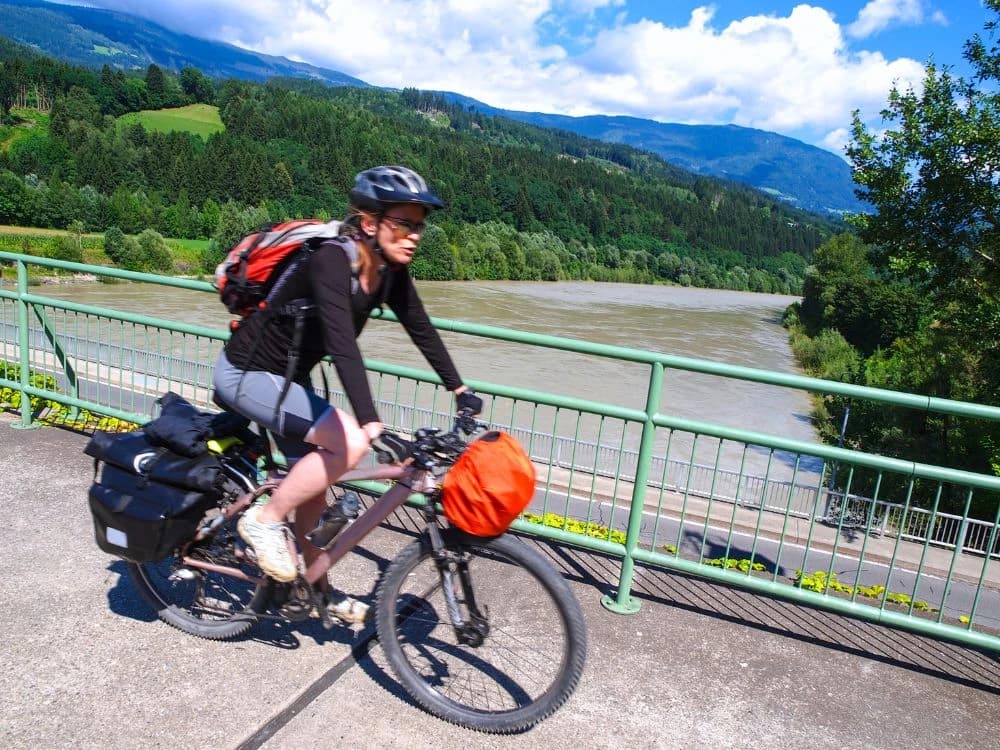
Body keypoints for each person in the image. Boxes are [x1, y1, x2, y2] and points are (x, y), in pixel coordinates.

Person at [212, 165, 482, 620]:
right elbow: (342, 345)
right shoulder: (331, 260)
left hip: (287, 384)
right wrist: (370, 422)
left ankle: (315, 591)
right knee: (350, 443)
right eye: (405, 224)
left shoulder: (389, 272)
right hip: (247, 374)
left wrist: (461, 389)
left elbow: (422, 329)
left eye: (420, 226)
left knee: (313, 495)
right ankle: (262, 521)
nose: (415, 235)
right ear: (370, 222)